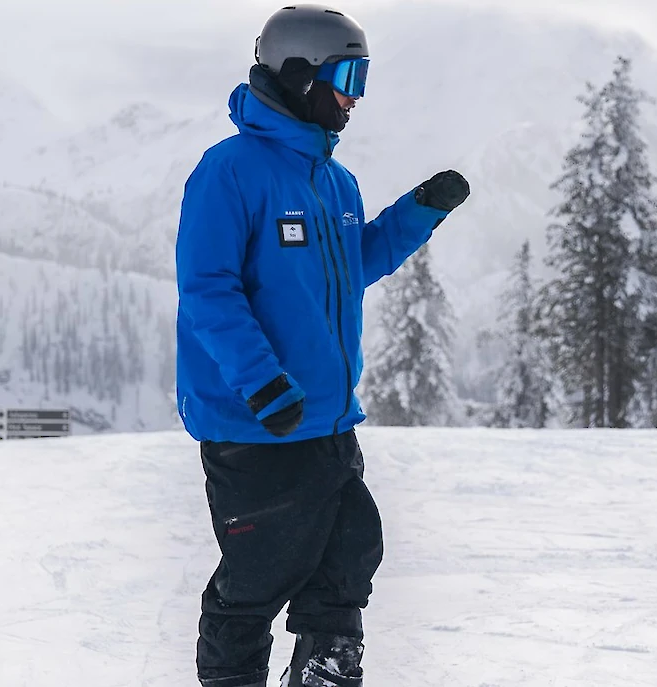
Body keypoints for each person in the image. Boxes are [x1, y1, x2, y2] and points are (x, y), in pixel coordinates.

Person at [174, 4, 470, 686]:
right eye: (346, 76)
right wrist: (263, 383)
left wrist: (419, 211)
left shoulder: (334, 180)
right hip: (258, 424)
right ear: (298, 73)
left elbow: (352, 265)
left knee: (348, 552)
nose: (354, 95)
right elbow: (209, 290)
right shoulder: (231, 171)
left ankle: (326, 669)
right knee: (257, 576)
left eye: (362, 77)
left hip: (328, 419)